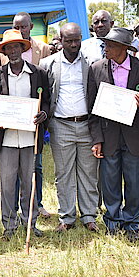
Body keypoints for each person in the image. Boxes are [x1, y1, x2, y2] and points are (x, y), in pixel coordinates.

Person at [87, 27, 139, 240]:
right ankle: (113, 222)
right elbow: (91, 108)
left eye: (111, 45)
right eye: (105, 44)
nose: (105, 48)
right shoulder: (96, 68)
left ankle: (132, 224)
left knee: (135, 182)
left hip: (134, 135)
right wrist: (97, 139)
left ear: (124, 48)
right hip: (109, 136)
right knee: (110, 182)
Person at [0, 29, 50, 239]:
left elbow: (46, 101)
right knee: (7, 184)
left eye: (16, 46)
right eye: (8, 48)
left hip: (30, 137)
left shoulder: (38, 73)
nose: (13, 51)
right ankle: (9, 226)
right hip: (7, 139)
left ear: (23, 49)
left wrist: (43, 114)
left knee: (29, 182)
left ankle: (30, 223)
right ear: (4, 52)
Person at [40, 23, 100, 232]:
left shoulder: (91, 63)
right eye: (69, 41)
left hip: (87, 125)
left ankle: (89, 216)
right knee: (64, 174)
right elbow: (44, 95)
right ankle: (66, 217)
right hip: (61, 125)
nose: (74, 44)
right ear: (61, 40)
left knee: (89, 173)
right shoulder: (48, 64)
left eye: (77, 40)